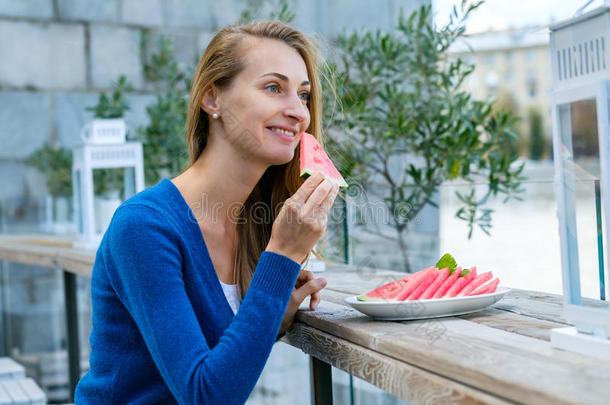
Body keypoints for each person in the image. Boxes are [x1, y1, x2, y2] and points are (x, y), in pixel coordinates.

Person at [75, 20, 339, 404]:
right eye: (273, 88)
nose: (299, 111)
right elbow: (205, 395)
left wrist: (273, 317)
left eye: (303, 95)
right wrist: (281, 256)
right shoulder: (144, 226)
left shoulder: (253, 223)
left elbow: (218, 358)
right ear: (212, 99)